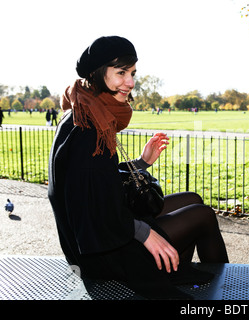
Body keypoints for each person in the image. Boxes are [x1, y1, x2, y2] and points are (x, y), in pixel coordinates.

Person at [48, 36, 228, 300]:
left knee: (193, 199)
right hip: (103, 251)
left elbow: (94, 179)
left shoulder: (85, 109)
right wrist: (144, 234)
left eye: (132, 73)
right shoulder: (87, 126)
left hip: (103, 232)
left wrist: (141, 162)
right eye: (121, 73)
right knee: (201, 215)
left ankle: (175, 270)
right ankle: (225, 291)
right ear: (96, 73)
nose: (130, 83)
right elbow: (90, 206)